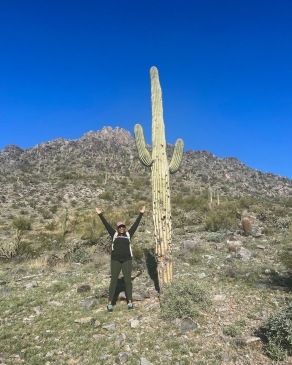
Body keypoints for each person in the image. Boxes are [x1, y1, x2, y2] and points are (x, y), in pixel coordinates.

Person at [95, 205, 146, 312]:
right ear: (117, 228)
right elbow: (106, 225)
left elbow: (135, 226)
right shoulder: (113, 234)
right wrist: (100, 215)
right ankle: (110, 303)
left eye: (123, 226)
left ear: (124, 227)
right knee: (113, 280)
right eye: (120, 227)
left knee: (128, 281)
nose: (121, 228)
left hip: (127, 260)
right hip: (115, 260)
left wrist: (141, 213)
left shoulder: (128, 234)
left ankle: (130, 302)